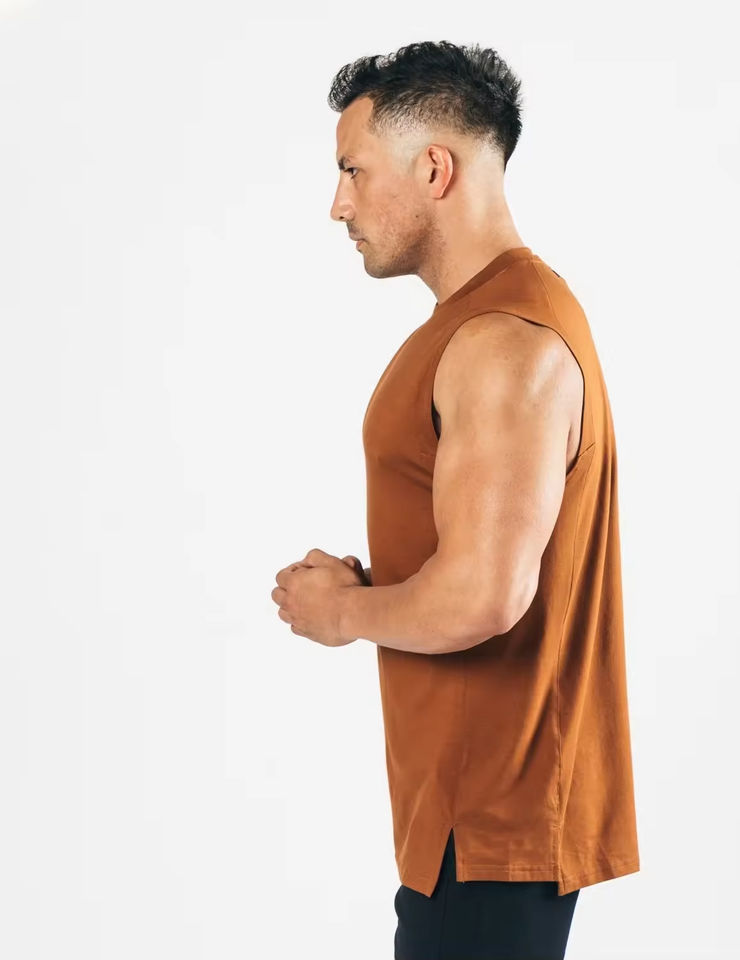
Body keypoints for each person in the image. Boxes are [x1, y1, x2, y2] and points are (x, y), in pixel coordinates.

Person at [272, 40, 640, 960]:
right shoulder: (479, 325)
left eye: (354, 170)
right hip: (464, 828)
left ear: (434, 169)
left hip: (491, 830)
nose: (338, 204)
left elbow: (484, 595)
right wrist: (377, 587)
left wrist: (341, 613)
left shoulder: (505, 340)